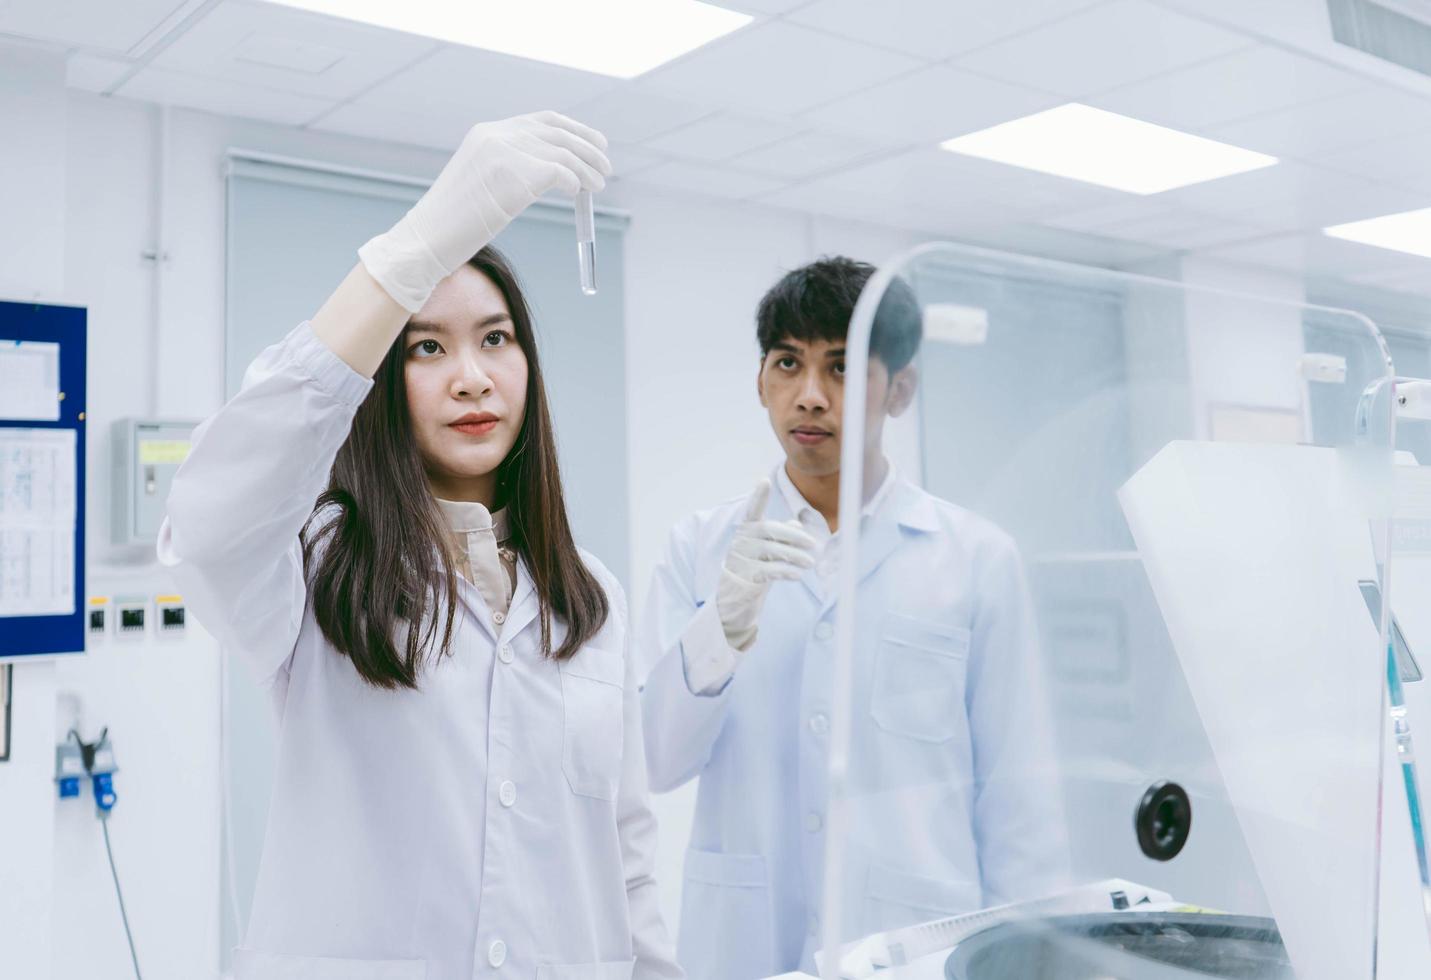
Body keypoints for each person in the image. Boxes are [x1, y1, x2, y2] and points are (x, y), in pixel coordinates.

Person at [159, 112, 681, 980]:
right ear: (381, 384)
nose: (470, 375)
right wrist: (406, 254)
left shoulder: (592, 597)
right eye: (424, 348)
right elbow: (214, 520)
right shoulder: (321, 563)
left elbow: (623, 857)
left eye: (494, 339)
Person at [638, 256, 1069, 980]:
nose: (808, 397)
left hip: (915, 948)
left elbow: (1016, 798)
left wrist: (1030, 959)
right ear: (759, 381)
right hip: (746, 945)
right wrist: (721, 629)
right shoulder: (700, 548)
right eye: (787, 364)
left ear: (899, 390)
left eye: (841, 368)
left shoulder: (975, 559)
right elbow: (653, 759)